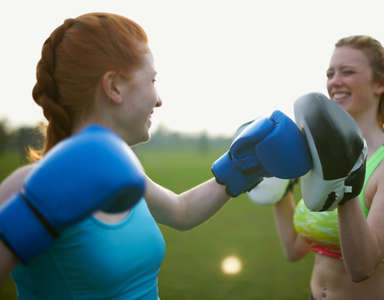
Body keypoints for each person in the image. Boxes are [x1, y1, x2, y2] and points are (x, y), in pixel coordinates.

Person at [0, 12, 310, 300]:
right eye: (152, 81)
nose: (159, 99)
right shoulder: (24, 187)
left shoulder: (122, 171)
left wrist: (243, 165)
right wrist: (29, 217)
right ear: (114, 87)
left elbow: (181, 211)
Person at [271, 35, 384, 300]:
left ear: (381, 84)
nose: (334, 81)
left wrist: (344, 181)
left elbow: (362, 267)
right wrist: (278, 191)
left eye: (347, 72)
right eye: (330, 73)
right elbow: (294, 250)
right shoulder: (318, 155)